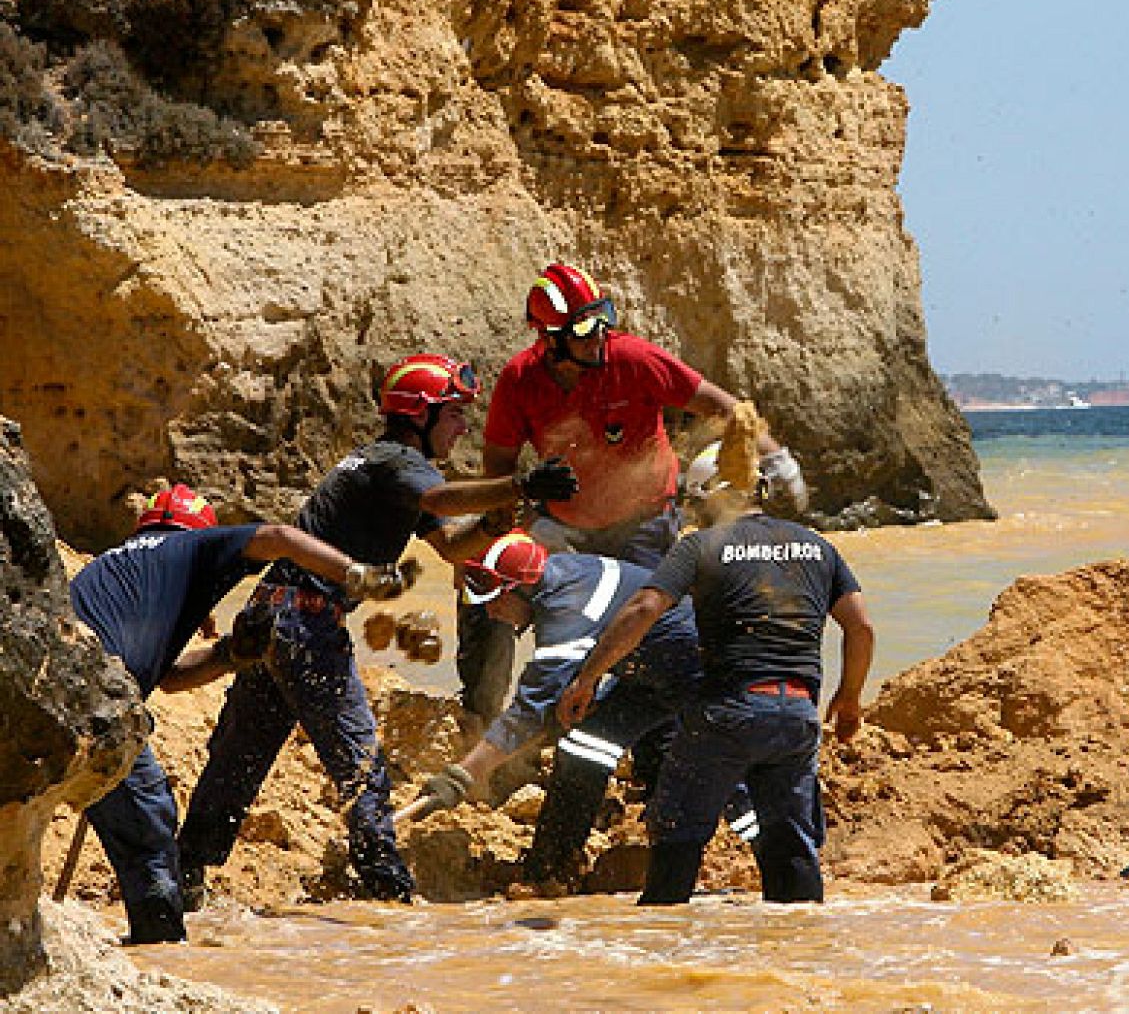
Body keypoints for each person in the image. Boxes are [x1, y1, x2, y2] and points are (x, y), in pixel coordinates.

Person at [176, 353, 578, 908]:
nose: (464, 426)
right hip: (308, 619)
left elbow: (452, 548)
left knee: (240, 757)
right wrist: (519, 484)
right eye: (454, 414)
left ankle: (182, 878)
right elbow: (439, 499)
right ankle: (388, 894)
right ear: (420, 414)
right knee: (361, 764)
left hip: (271, 614)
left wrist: (491, 524)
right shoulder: (397, 462)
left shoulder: (386, 468)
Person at [455, 261, 808, 726]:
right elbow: (497, 468)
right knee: (485, 590)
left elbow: (723, 406)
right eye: (584, 327)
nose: (599, 335)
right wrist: (506, 532)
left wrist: (777, 459)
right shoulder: (520, 381)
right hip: (564, 529)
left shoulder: (633, 360)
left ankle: (648, 747)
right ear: (551, 339)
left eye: (604, 317)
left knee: (648, 636)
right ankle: (481, 720)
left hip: (644, 526)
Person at [69, 483, 408, 944]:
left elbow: (167, 677)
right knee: (150, 826)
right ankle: (162, 951)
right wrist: (358, 577)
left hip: (55, 689)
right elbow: (278, 537)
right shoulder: (192, 545)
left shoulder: (116, 567)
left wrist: (229, 653)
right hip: (98, 699)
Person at [556, 442, 873, 904]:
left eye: (696, 500)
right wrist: (849, 697)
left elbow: (645, 607)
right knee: (791, 848)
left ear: (714, 493)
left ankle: (663, 949)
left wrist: (588, 677)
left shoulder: (701, 546)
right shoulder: (817, 546)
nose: (694, 511)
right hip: (797, 713)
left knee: (677, 836)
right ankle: (802, 956)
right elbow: (860, 625)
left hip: (727, 712)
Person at [407, 530, 759, 894]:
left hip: (696, 672)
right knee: (584, 748)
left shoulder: (566, 611)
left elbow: (527, 712)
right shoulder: (560, 574)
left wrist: (460, 776)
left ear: (520, 589)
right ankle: (550, 873)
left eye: (495, 600)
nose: (491, 612)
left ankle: (779, 864)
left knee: (722, 774)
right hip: (647, 673)